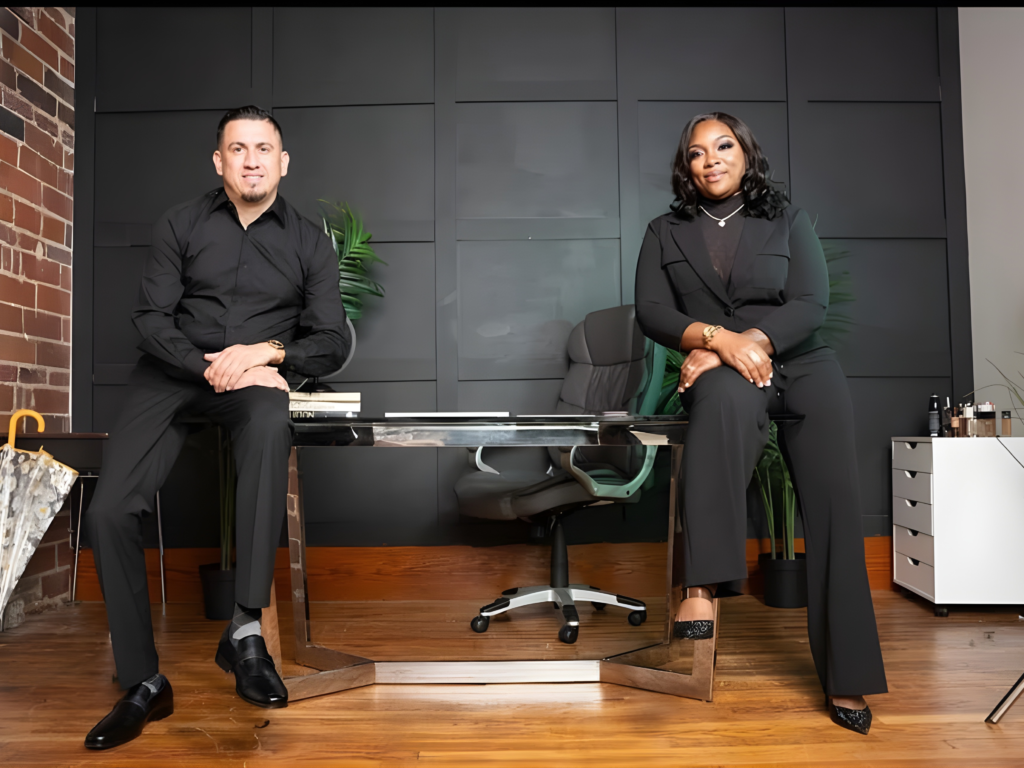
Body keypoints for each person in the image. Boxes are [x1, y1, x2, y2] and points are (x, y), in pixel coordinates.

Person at [84, 106, 351, 750]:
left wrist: (266, 354)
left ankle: (244, 630)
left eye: (264, 149)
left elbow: (332, 340)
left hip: (252, 381)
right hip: (173, 372)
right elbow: (150, 319)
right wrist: (209, 367)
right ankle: (144, 682)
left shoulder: (310, 242)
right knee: (109, 511)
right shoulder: (180, 223)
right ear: (218, 161)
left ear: (283, 163)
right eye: (238, 149)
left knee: (269, 417)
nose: (252, 160)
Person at [634, 112, 886, 735]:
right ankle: (701, 589)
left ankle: (848, 673)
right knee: (719, 408)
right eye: (697, 152)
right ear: (686, 167)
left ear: (745, 153)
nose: (711, 159)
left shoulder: (787, 219)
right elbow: (651, 311)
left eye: (723, 146)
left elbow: (812, 303)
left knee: (835, 511)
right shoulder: (664, 231)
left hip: (802, 364)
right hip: (723, 369)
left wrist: (751, 342)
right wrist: (717, 341)